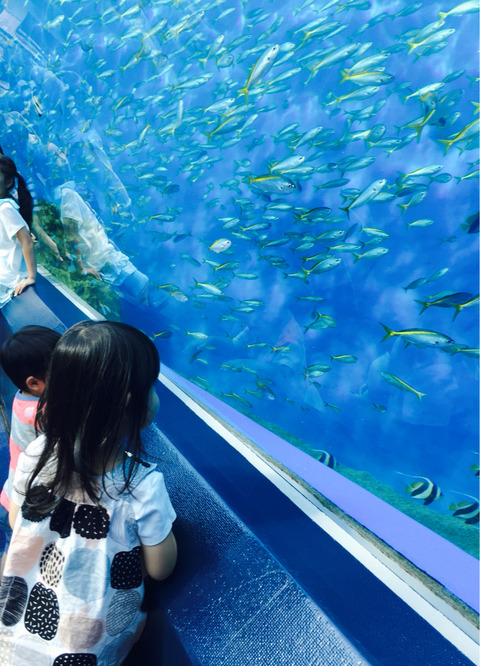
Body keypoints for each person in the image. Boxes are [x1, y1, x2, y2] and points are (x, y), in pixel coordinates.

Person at [0, 320, 177, 663]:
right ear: (128, 403)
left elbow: (14, 518)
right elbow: (160, 568)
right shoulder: (141, 485)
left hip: (15, 629)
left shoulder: (35, 453)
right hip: (85, 646)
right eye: (152, 387)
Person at [0, 325, 61, 559]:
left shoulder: (23, 396)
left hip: (12, 494)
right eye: (63, 372)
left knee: (12, 552)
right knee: (16, 557)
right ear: (34, 383)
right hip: (23, 503)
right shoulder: (43, 412)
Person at [55, 181, 150, 304]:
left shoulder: (68, 195)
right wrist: (81, 269)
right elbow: (71, 236)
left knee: (136, 295)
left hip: (108, 259)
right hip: (102, 264)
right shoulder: (68, 194)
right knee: (141, 286)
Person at [0, 155, 65, 333]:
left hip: (8, 278)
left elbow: (26, 241)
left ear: (8, 182)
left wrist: (31, 277)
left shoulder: (6, 209)